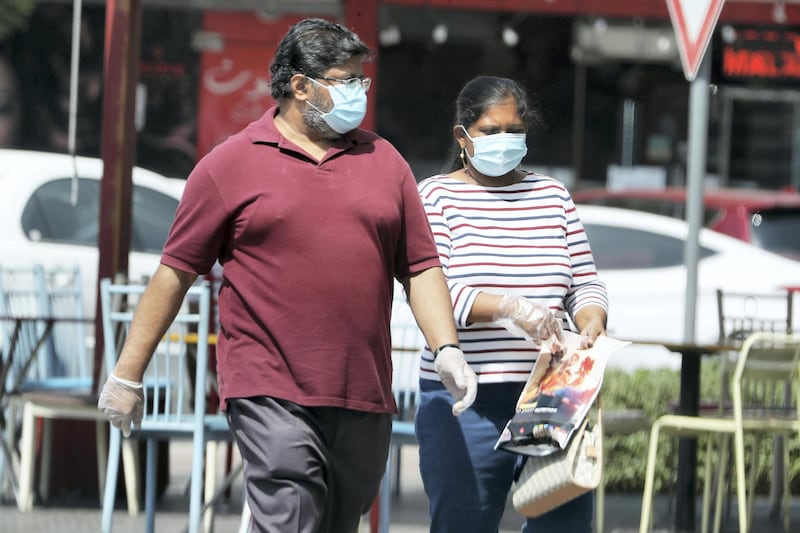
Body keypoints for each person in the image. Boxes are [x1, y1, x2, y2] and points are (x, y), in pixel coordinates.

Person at [97, 18, 478, 533]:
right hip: (267, 385)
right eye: (347, 81)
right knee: (291, 510)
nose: (359, 93)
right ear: (300, 85)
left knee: (332, 521)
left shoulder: (384, 161)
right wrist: (127, 374)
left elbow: (419, 266)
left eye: (361, 81)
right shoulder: (228, 165)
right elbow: (175, 274)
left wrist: (448, 349)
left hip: (361, 390)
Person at [415, 75, 609, 533]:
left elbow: (584, 283)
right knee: (464, 522)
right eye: (491, 131)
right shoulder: (437, 197)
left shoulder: (553, 196)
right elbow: (435, 290)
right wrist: (511, 308)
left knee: (563, 522)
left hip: (552, 395)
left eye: (514, 131)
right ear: (462, 135)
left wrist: (591, 320)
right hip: (467, 398)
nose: (505, 141)